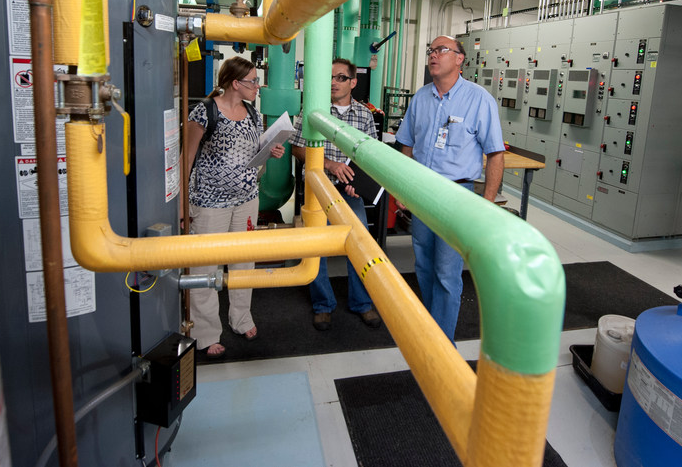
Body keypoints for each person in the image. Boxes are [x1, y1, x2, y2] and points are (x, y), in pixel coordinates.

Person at [395, 36, 504, 341]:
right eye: (430, 50)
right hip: (421, 192)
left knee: (446, 271)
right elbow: (406, 144)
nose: (433, 55)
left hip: (456, 194)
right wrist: (403, 188)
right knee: (424, 264)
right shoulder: (421, 98)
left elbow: (496, 153)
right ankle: (430, 324)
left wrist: (488, 201)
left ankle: (441, 341)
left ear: (459, 59)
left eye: (440, 50)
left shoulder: (478, 99)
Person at [185, 56, 285, 358]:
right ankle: (205, 332)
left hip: (246, 201)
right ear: (234, 84)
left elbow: (253, 155)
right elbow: (186, 158)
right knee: (205, 267)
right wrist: (181, 205)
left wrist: (270, 152)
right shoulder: (204, 112)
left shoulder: (254, 114)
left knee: (244, 262)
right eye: (253, 81)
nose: (258, 85)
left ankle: (241, 318)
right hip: (209, 203)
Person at [290, 58, 382, 331]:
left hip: (350, 192)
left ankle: (361, 303)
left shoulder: (364, 115)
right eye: (329, 77)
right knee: (317, 250)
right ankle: (323, 305)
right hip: (318, 189)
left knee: (360, 248)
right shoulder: (313, 111)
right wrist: (328, 165)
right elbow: (297, 148)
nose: (333, 82)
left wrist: (358, 181)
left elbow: (370, 156)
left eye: (340, 77)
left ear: (353, 82)